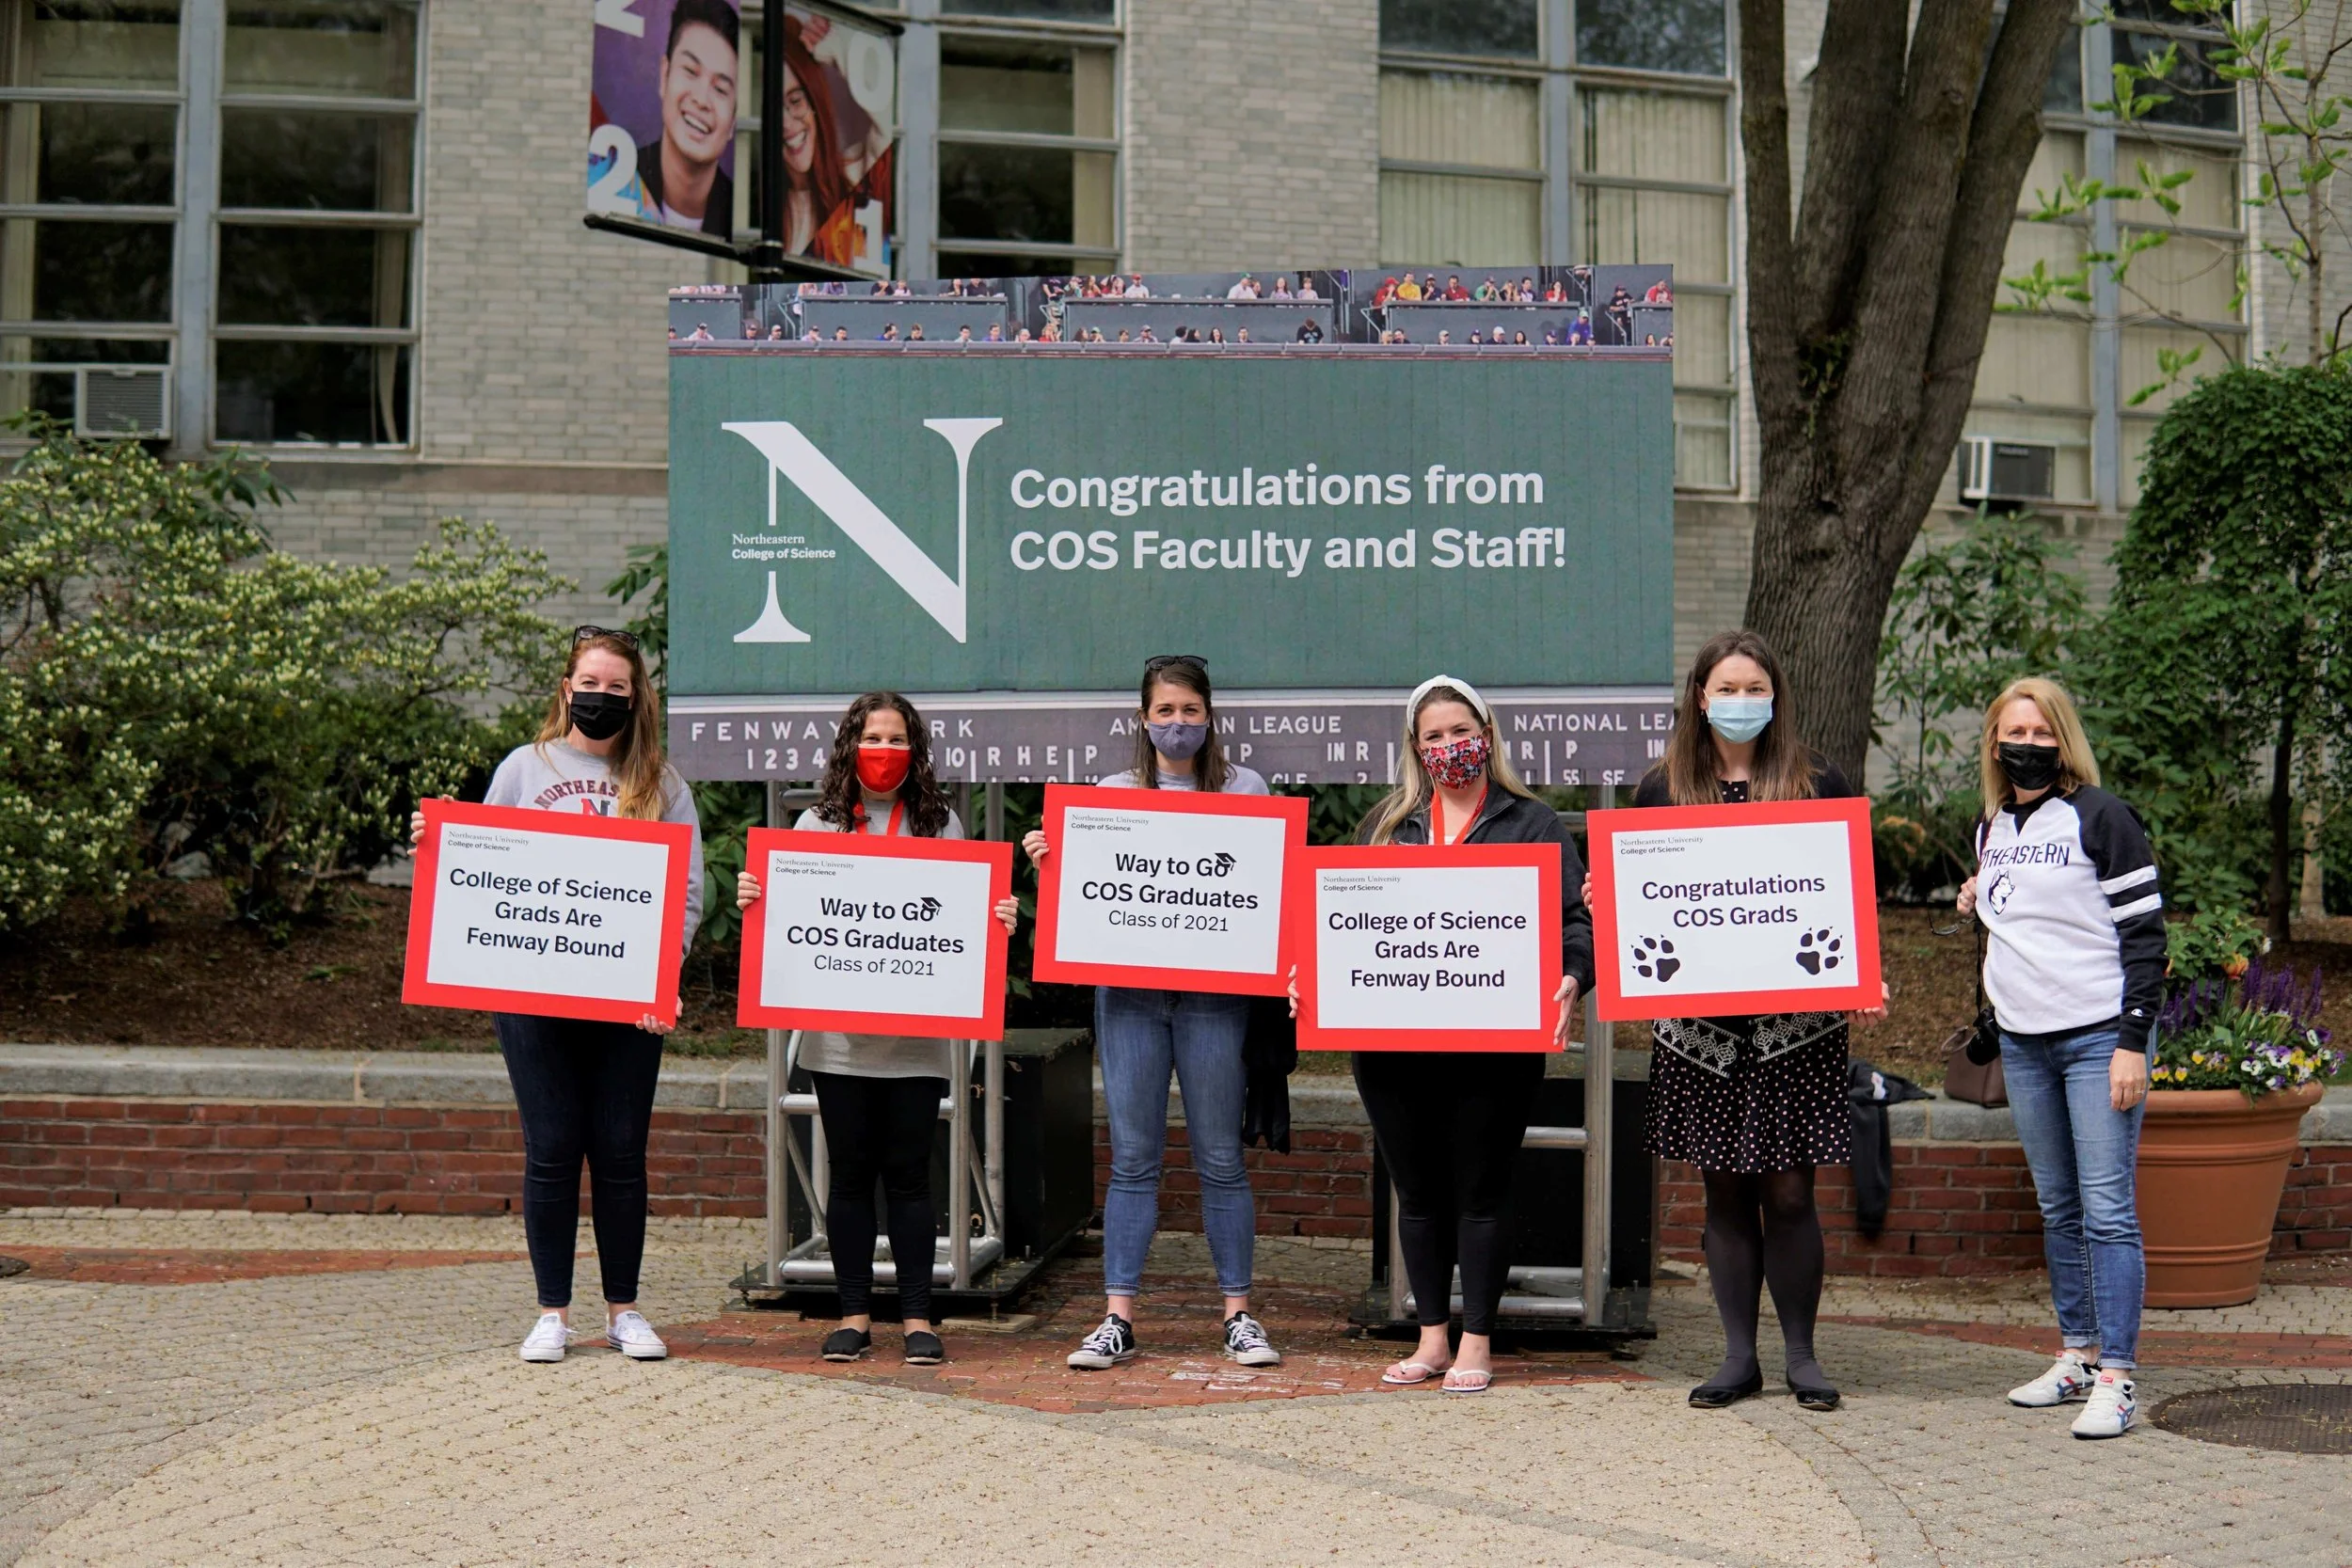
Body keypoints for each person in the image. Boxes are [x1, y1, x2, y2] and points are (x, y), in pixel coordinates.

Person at [408, 627, 705, 1365]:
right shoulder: (524, 767)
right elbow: (485, 868)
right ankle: (552, 1312)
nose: (600, 696)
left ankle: (625, 1311)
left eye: (617, 687)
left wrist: (661, 975)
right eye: (589, 683)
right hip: (533, 998)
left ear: (636, 699)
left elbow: (688, 893)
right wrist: (435, 843)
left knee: (619, 1154)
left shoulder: (664, 785)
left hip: (627, 1003)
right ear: (566, 688)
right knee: (549, 1152)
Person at [734, 692, 1020, 1368]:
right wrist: (757, 898)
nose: (884, 751)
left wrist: (996, 915)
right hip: (838, 1043)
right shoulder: (814, 825)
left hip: (918, 1044)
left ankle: (920, 1317)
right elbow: (786, 925)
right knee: (853, 1178)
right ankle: (854, 1315)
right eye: (872, 738)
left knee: (913, 1178)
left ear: (913, 750)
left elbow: (961, 916)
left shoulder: (939, 824)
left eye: (896, 739)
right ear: (849, 746)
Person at [1634, 630, 1881, 1414]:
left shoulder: (1817, 783)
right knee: (1726, 1191)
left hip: (1795, 1029)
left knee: (1792, 1192)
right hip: (1700, 1031)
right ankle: (1739, 1355)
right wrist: (1613, 904)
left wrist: (1864, 966)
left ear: (1776, 698)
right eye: (1726, 688)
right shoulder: (1660, 790)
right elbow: (1638, 894)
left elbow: (1851, 890)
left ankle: (1801, 1353)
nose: (1741, 702)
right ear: (1699, 698)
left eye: (1755, 688)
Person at [1023, 656, 1283, 1374]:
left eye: (1190, 710)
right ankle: (1117, 1317)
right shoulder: (1110, 794)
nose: (1178, 724)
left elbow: (1269, 892)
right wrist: (1052, 866)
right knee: (1134, 1158)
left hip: (1214, 998)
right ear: (1143, 718)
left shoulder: (1245, 788)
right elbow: (1085, 907)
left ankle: (1237, 1315)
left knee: (1221, 1159)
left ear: (1210, 714)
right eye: (1164, 711)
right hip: (1130, 998)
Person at [1343, 676, 1593, 1393]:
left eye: (1462, 731)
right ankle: (1430, 1338)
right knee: (1416, 1194)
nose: (1450, 746)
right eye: (1435, 737)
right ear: (1414, 750)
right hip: (1393, 1046)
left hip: (1494, 1044)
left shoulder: (1535, 823)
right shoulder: (1386, 827)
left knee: (1481, 1190)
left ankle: (1477, 1340)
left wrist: (1574, 976)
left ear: (1486, 733)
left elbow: (1578, 927)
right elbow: (1346, 926)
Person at [1958, 678, 2161, 1440]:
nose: (2029, 744)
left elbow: (2146, 937)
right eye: (2015, 732)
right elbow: (2026, 907)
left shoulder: (2102, 816)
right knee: (2059, 1208)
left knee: (2107, 1214)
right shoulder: (1993, 825)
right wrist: (1977, 893)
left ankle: (2118, 1373)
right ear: (1994, 742)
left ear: (2064, 739)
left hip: (2097, 1037)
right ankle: (2075, 1354)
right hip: (2024, 1041)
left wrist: (2131, 1043)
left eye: (2044, 733)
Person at [634, 0, 738, 236]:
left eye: (721, 89)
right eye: (690, 71)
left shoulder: (742, 220)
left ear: (733, 120)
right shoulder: (619, 179)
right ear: (664, 76)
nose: (701, 100)